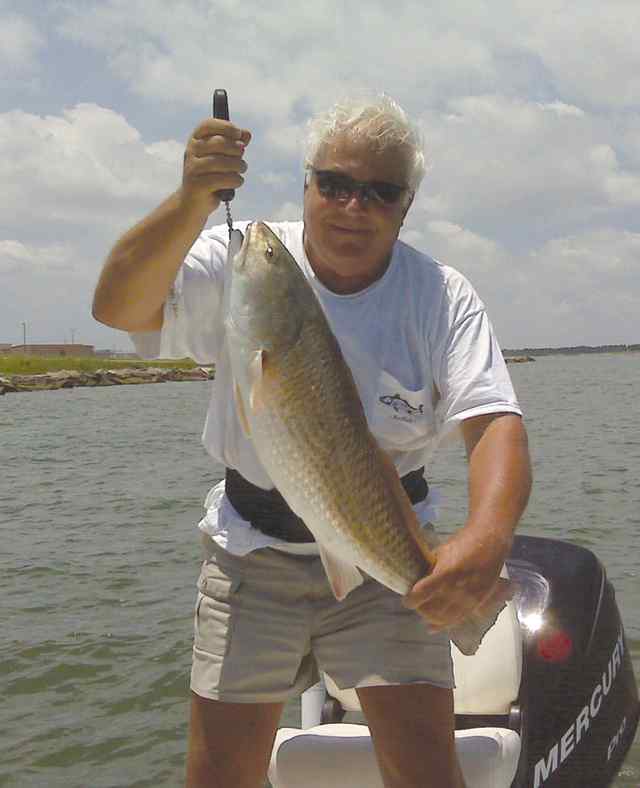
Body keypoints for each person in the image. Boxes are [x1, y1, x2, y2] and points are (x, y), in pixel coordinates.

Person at [93, 94, 532, 788]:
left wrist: (485, 540)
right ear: (307, 184)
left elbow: (495, 423)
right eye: (334, 184)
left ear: (406, 206)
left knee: (427, 774)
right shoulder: (250, 259)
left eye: (380, 192)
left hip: (387, 547)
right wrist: (190, 200)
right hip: (250, 552)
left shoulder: (441, 295)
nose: (354, 206)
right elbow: (117, 307)